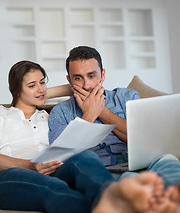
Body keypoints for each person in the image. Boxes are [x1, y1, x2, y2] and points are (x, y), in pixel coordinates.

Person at [0, 60, 166, 213]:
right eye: (31, 85)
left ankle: (112, 196)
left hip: (53, 170)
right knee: (54, 188)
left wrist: (36, 92)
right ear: (16, 89)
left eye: (43, 82)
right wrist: (30, 165)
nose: (41, 89)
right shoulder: (2, 114)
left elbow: (79, 86)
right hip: (12, 174)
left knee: (86, 156)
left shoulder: (49, 116)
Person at [49, 45, 140, 166]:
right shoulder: (60, 112)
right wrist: (89, 115)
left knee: (167, 160)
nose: (86, 86)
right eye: (78, 78)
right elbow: (59, 157)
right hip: (99, 167)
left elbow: (142, 139)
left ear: (103, 75)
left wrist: (100, 110)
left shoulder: (127, 97)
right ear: (69, 80)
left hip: (136, 162)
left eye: (91, 76)